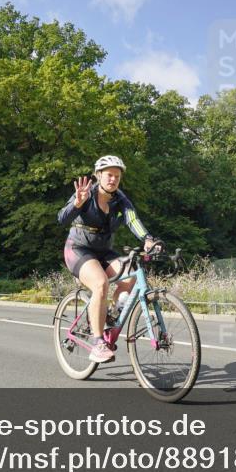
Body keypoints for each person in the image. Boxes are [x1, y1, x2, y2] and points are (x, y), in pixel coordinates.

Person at [58, 155, 159, 363]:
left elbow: (132, 219)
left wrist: (148, 239)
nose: (113, 179)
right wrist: (77, 204)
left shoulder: (120, 198)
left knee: (131, 273)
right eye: (109, 175)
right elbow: (62, 218)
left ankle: (110, 314)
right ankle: (97, 343)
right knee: (100, 283)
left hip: (104, 251)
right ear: (98, 176)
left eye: (117, 176)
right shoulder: (86, 193)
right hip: (78, 249)